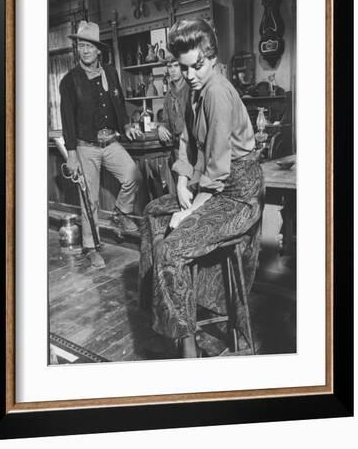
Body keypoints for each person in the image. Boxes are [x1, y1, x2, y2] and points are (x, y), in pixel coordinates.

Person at [139, 18, 264, 357]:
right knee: (152, 213)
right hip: (212, 185)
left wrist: (190, 211)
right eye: (185, 67)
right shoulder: (192, 90)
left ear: (213, 58)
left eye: (198, 66)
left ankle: (187, 342)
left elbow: (219, 171)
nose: (191, 74)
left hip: (239, 193)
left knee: (171, 249)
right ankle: (164, 312)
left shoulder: (218, 93)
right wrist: (180, 180)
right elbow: (185, 140)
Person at [60, 21, 142, 269]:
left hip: (110, 141)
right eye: (81, 46)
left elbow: (118, 101)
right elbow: (67, 120)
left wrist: (126, 125)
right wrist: (71, 154)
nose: (84, 51)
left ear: (98, 50)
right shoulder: (69, 80)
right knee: (89, 199)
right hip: (85, 146)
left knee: (133, 175)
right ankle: (91, 247)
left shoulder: (110, 72)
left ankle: (121, 213)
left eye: (89, 46)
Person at [157, 53, 190, 163]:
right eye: (170, 67)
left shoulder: (190, 89)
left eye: (176, 66)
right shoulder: (168, 95)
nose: (173, 70)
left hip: (192, 147)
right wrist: (161, 127)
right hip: (176, 148)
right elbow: (166, 121)